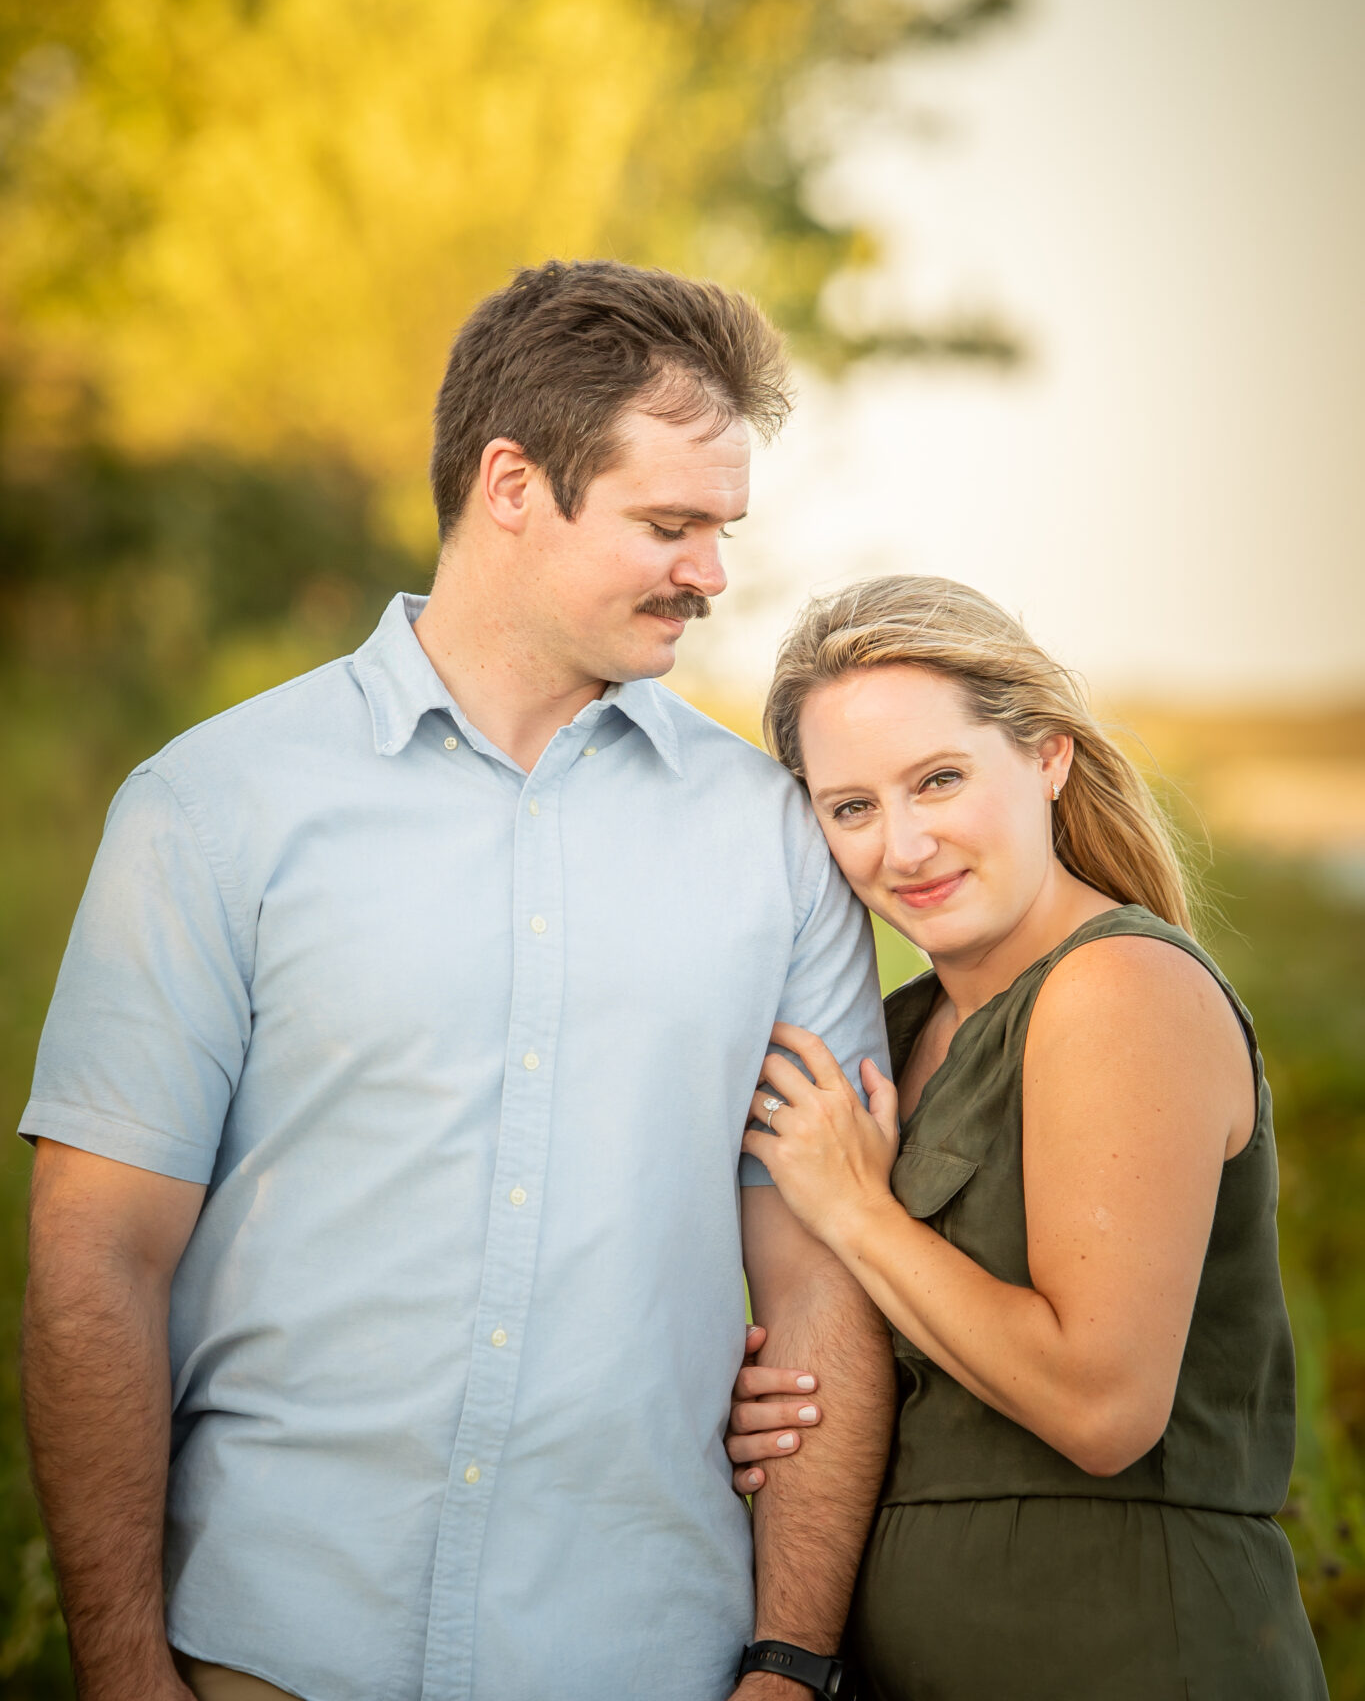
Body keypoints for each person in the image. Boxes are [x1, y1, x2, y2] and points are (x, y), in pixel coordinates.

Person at [19, 261, 896, 1701]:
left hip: (644, 1657)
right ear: (511, 483)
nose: (712, 575)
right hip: (268, 1650)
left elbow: (819, 1279)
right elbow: (95, 1261)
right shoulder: (213, 807)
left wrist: (788, 1666)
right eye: (670, 524)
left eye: (721, 530)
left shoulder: (773, 843)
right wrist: (122, 1675)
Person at [726, 575, 1327, 1700]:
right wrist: (772, 1397)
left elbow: (1100, 1406)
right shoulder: (896, 1034)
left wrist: (857, 1212)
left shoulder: (1120, 987)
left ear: (1047, 757)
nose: (902, 845)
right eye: (849, 806)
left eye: (939, 779)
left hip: (1130, 1655)